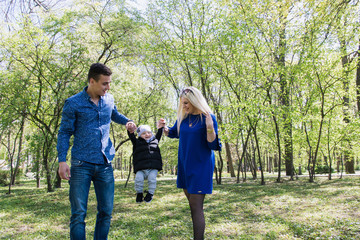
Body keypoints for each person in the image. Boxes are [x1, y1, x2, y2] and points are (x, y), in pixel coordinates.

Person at [57, 63, 136, 240]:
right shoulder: (73, 103)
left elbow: (114, 114)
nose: (108, 87)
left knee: (106, 212)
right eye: (104, 84)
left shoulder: (109, 99)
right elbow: (64, 133)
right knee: (78, 214)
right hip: (81, 164)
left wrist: (127, 122)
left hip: (105, 163)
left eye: (109, 83)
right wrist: (62, 160)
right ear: (92, 81)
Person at [164, 86, 221, 240]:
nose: (184, 106)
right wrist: (165, 129)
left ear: (196, 101)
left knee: (196, 207)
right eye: (183, 103)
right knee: (193, 206)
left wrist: (210, 127)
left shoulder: (208, 117)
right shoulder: (183, 118)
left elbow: (212, 145)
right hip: (185, 164)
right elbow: (174, 132)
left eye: (187, 103)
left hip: (201, 165)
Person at [127, 119, 165, 203]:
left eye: (148, 132)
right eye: (143, 133)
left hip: (153, 167)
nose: (147, 134)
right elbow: (131, 136)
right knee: (138, 179)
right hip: (141, 168)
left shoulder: (155, 141)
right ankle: (139, 193)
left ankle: (150, 194)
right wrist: (130, 130)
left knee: (152, 179)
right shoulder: (137, 142)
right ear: (140, 135)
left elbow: (159, 134)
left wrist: (161, 127)